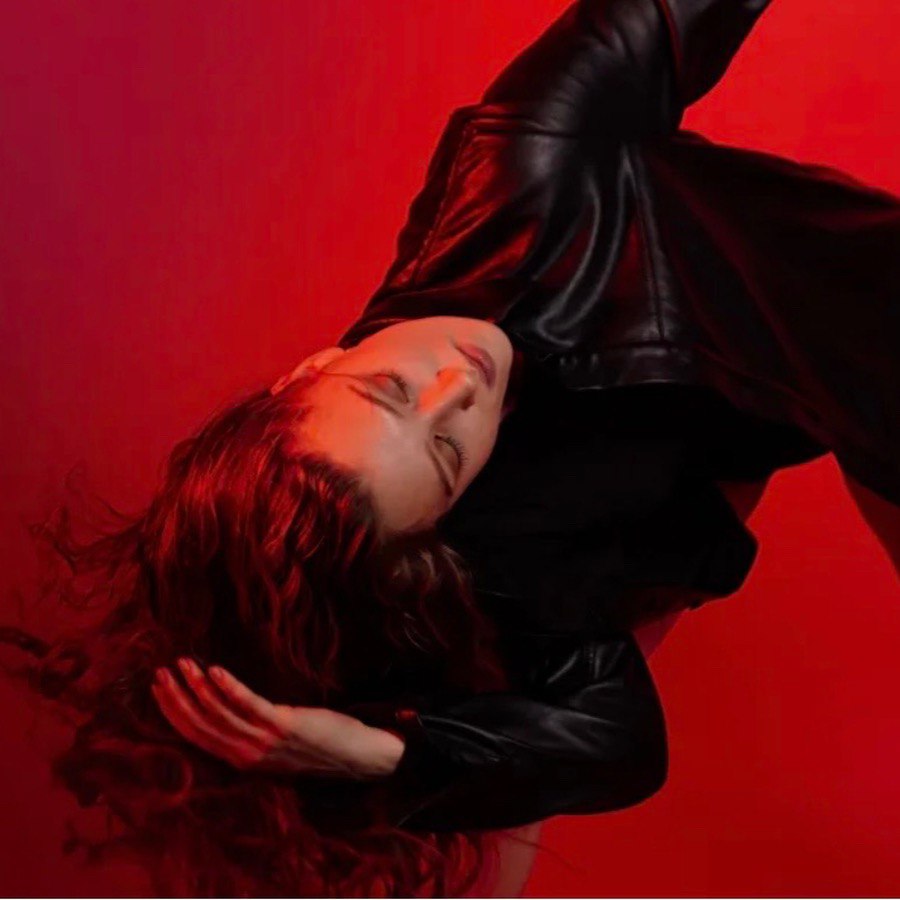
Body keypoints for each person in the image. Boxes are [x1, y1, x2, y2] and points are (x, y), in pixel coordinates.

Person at [4, 0, 899, 897]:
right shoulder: (460, 539)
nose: (459, 385)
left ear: (310, 369)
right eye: (445, 450)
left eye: (388, 390)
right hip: (655, 509)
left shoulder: (523, 168)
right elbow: (618, 740)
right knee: (474, 755)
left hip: (872, 362)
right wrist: (390, 753)